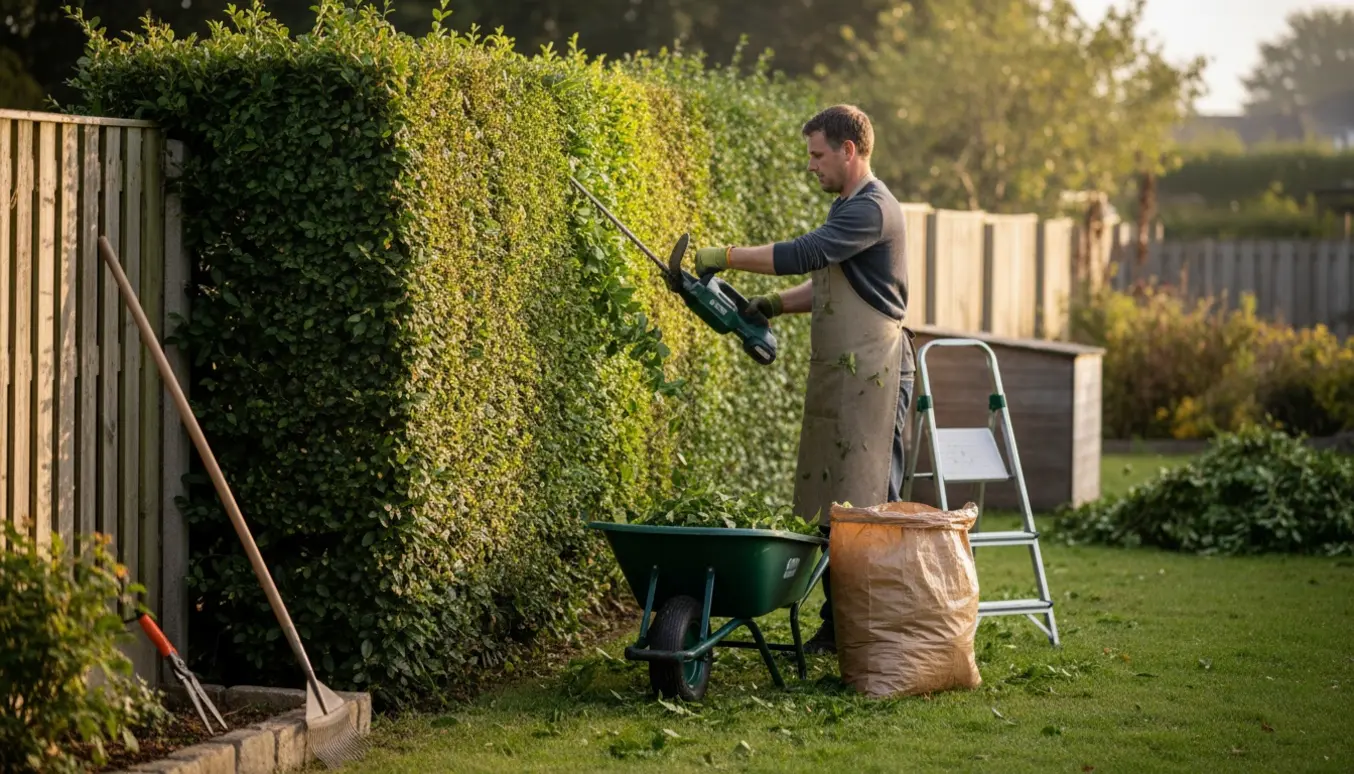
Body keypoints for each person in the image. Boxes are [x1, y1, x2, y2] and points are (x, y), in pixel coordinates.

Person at [692, 104, 914, 654]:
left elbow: (806, 253)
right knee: (836, 504)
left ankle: (872, 634)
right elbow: (829, 286)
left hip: (878, 374)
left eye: (817, 154)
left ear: (848, 150)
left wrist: (727, 256)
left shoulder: (872, 209)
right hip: (847, 373)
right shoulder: (849, 207)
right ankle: (839, 628)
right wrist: (770, 304)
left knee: (869, 507)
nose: (810, 165)